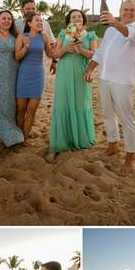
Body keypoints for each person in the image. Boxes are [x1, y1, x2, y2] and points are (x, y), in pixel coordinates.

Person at [85, 0, 135, 167]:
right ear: (120, 10)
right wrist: (90, 69)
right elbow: (100, 53)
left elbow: (128, 34)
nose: (128, 12)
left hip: (123, 81)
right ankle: (113, 144)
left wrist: (114, 22)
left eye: (132, 10)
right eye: (125, 9)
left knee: (127, 118)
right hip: (105, 78)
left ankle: (131, 155)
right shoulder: (111, 31)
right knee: (107, 114)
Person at [48, 9, 98, 158]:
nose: (76, 18)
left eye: (79, 16)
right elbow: (54, 54)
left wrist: (80, 49)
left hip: (81, 72)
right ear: (69, 21)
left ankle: (81, 139)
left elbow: (94, 55)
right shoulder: (64, 33)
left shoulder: (90, 35)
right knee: (63, 102)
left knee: (81, 103)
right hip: (64, 72)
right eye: (73, 17)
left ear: (83, 19)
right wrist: (64, 49)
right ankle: (63, 140)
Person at [0, 10, 25, 147]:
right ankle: (0, 133)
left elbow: (21, 56)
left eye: (9, 19)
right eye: (3, 18)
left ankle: (8, 137)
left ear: (12, 22)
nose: (6, 21)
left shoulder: (16, 38)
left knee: (9, 105)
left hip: (11, 74)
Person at [15, 13, 53, 142]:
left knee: (32, 109)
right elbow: (17, 57)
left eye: (41, 20)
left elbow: (49, 53)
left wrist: (58, 48)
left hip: (38, 75)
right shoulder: (22, 36)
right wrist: (26, 46)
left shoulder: (44, 37)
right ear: (29, 23)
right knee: (21, 110)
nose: (40, 22)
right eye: (37, 20)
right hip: (24, 75)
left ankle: (24, 139)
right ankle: (18, 136)